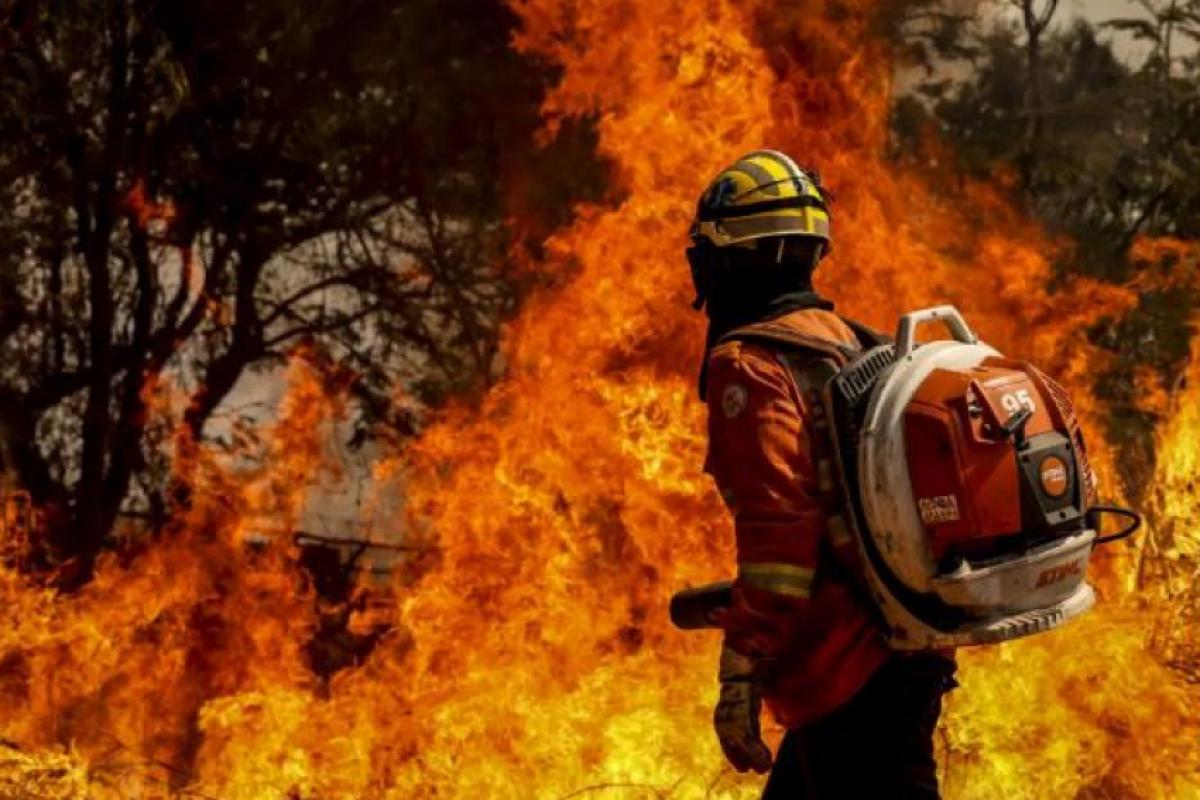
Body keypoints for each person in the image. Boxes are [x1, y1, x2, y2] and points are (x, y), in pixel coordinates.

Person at [689, 150, 957, 798]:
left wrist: (741, 668)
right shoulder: (849, 341)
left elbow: (781, 536)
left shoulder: (751, 367)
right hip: (904, 649)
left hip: (845, 668)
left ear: (730, 259)